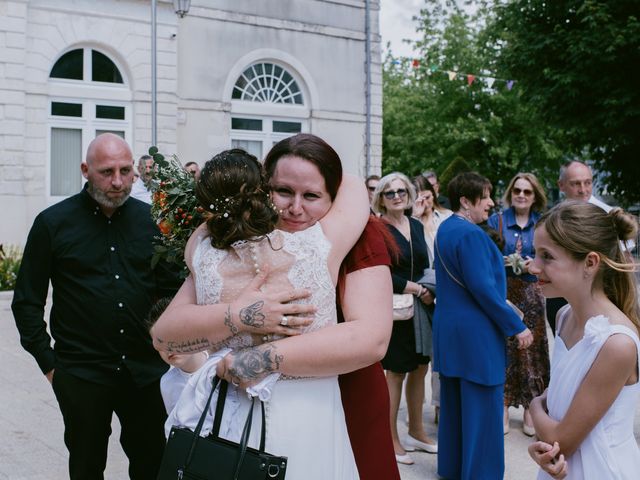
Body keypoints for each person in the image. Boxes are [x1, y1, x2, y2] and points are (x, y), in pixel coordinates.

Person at [152, 134, 400, 480]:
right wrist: (240, 315)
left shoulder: (349, 237)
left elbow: (371, 337)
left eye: (312, 195)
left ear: (334, 195)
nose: (295, 208)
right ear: (261, 190)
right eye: (283, 192)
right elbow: (165, 336)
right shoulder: (225, 244)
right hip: (242, 410)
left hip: (343, 395)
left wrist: (254, 359)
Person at [11, 133, 181, 480]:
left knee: (153, 464)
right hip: (82, 374)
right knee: (86, 467)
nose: (118, 181)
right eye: (107, 172)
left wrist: (170, 354)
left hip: (146, 374)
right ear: (85, 170)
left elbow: (172, 293)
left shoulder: (153, 221)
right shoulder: (52, 224)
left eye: (125, 170)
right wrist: (51, 367)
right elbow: (27, 302)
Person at [527, 201, 640, 479]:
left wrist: (533, 406)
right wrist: (543, 445)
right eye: (535, 254)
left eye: (547, 257)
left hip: (600, 469)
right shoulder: (565, 316)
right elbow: (559, 402)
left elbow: (562, 439)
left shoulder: (616, 344)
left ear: (590, 262)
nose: (533, 266)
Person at [432, 171, 533, 480]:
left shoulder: (446, 228)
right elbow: (483, 289)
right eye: (486, 196)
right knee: (484, 412)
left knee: (454, 410)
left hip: (450, 332)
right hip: (477, 336)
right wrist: (517, 325)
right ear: (465, 201)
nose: (491, 202)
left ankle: (452, 469)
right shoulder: (472, 234)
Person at [372, 172, 437, 465]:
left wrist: (427, 289)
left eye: (402, 191)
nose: (397, 196)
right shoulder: (377, 227)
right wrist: (416, 288)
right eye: (390, 193)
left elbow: (424, 263)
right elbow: (381, 270)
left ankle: (416, 431)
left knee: (420, 368)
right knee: (395, 372)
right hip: (396, 307)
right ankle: (389, 438)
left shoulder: (414, 224)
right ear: (381, 200)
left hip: (421, 308)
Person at [488, 173, 551, 436]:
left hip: (532, 292)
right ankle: (502, 405)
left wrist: (534, 264)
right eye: (517, 191)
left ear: (535, 196)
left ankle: (530, 405)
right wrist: (505, 261)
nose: (521, 195)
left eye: (527, 191)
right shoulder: (497, 220)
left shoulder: (542, 224)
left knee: (532, 350)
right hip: (505, 292)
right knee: (504, 348)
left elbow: (550, 257)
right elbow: (488, 255)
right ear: (511, 193)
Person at [411, 175, 453, 425]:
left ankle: (440, 407)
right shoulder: (411, 222)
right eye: (418, 194)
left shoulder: (445, 218)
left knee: (443, 356)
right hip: (422, 292)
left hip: (444, 291)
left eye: (426, 193)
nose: (423, 199)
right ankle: (426, 408)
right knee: (424, 359)